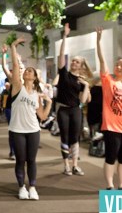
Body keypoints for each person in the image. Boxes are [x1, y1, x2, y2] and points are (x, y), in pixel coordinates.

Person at [9, 37, 52, 200]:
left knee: (31, 160)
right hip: (17, 130)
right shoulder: (17, 87)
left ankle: (32, 187)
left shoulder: (36, 95)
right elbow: (14, 66)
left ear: (34, 77)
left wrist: (49, 104)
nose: (27, 72)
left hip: (33, 130)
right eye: (25, 70)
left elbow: (42, 116)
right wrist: (13, 46)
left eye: (30, 72)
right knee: (20, 160)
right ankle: (22, 187)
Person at [57, 23, 92, 176]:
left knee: (75, 137)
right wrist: (65, 36)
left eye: (77, 62)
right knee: (64, 136)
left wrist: (86, 87)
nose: (73, 63)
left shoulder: (81, 80)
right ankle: (66, 165)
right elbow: (61, 56)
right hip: (63, 109)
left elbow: (83, 100)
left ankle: (75, 165)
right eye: (73, 61)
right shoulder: (64, 74)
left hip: (76, 110)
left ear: (81, 65)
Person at [96, 27, 122, 190]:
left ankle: (121, 186)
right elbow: (102, 61)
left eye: (121, 66)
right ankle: (110, 186)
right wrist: (98, 42)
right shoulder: (108, 82)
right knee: (111, 157)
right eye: (117, 65)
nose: (118, 67)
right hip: (111, 126)